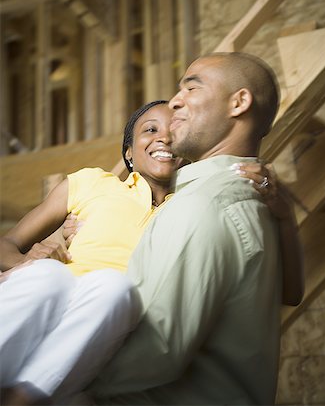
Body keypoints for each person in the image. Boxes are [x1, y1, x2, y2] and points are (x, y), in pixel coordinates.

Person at [0, 89, 301, 405]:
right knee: (48, 276)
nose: (165, 139)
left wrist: (283, 213)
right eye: (150, 130)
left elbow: (290, 293)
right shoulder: (91, 184)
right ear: (129, 153)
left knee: (113, 287)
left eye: (174, 131)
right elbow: (7, 243)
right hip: (40, 304)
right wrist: (27, 263)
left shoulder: (196, 207)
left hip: (99, 330)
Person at [86, 52, 293, 405]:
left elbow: (158, 350)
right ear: (129, 154)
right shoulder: (251, 198)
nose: (176, 100)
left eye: (191, 88)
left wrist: (59, 381)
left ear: (239, 102)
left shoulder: (204, 206)